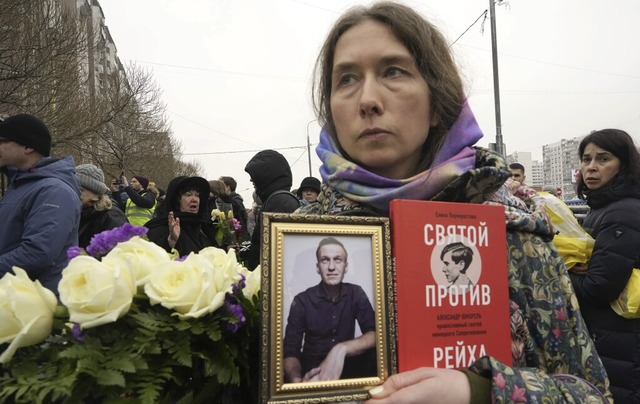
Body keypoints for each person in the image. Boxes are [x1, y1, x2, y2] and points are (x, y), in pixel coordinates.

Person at [299, 2, 610, 402]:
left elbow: (592, 393)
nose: (368, 99)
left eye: (393, 71)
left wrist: (479, 391)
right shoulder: (300, 236)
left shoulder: (514, 231)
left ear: (436, 103)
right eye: (346, 79)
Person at [569, 128, 640, 403]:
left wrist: (560, 275)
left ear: (624, 164)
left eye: (603, 159)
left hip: (623, 343)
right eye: (586, 159)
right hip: (611, 338)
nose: (591, 168)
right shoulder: (603, 207)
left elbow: (598, 287)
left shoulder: (623, 211)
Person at [0, 114, 81, 294]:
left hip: (37, 304)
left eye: (2, 141)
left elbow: (37, 253)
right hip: (14, 297)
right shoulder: (21, 186)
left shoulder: (54, 191)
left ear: (28, 147)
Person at [283, 237, 376, 383]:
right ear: (317, 267)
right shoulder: (302, 300)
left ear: (346, 267)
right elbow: (290, 351)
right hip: (311, 375)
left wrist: (341, 349)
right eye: (325, 260)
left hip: (348, 372)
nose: (331, 267)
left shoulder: (355, 293)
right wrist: (297, 382)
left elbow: (376, 334)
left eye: (338, 260)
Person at [242, 150, 300, 270]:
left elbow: (277, 254)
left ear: (266, 174)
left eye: (254, 175)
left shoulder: (279, 202)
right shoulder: (276, 200)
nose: (251, 180)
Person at [145, 175, 214, 256]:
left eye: (197, 195)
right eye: (188, 195)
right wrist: (170, 242)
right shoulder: (161, 228)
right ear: (177, 200)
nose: (195, 199)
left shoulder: (201, 228)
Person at [76, 163, 127, 248]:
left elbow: (121, 253)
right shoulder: (75, 212)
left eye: (81, 190)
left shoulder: (111, 217)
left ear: (95, 193)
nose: (74, 194)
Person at [219, 175, 249, 240]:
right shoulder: (227, 200)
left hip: (238, 238)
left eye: (221, 186)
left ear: (228, 188)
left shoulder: (236, 201)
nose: (219, 189)